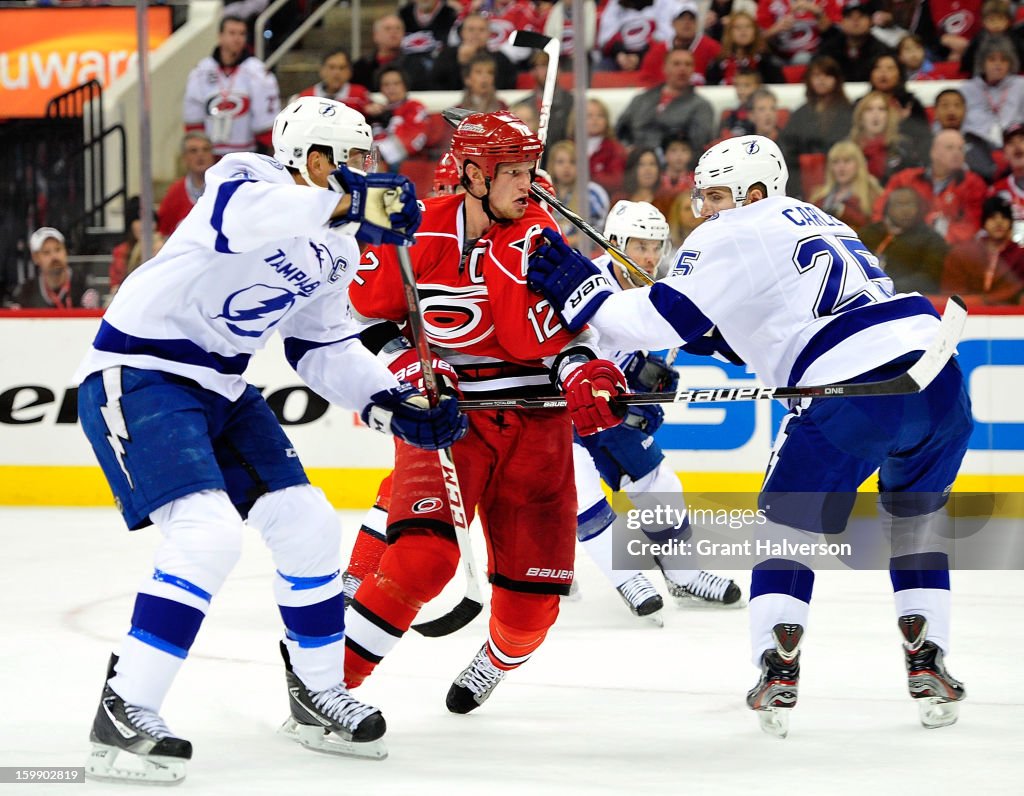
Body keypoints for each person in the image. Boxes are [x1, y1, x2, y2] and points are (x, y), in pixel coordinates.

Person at [74, 96, 465, 783]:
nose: (368, 174)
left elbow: (321, 347)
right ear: (313, 161)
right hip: (141, 371)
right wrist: (351, 206)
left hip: (222, 388)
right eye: (354, 162)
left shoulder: (338, 246)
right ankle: (126, 704)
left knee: (308, 521)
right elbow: (248, 220)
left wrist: (390, 401)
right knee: (207, 535)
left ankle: (318, 693)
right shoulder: (246, 178)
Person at [526, 134, 972, 735]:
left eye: (714, 194)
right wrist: (702, 330)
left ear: (753, 192)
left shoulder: (732, 229)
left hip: (856, 394)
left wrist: (584, 292)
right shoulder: (820, 219)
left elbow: (654, 320)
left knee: (783, 530)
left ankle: (776, 663)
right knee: (914, 521)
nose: (703, 209)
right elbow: (770, 324)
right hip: (939, 379)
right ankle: (930, 655)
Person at [342, 111, 623, 714]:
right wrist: (407, 367)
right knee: (423, 560)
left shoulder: (540, 237)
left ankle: (494, 660)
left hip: (538, 430)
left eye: (530, 170)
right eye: (515, 172)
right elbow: (357, 319)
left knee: (530, 614)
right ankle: (327, 684)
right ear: (471, 173)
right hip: (450, 421)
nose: (531, 184)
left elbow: (576, 333)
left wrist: (584, 374)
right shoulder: (408, 227)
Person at [572, 200, 743, 623]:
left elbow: (698, 335)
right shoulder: (589, 282)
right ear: (613, 243)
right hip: (569, 412)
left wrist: (740, 344)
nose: (650, 255)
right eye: (640, 245)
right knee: (578, 489)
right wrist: (632, 368)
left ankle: (682, 574)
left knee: (660, 484)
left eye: (656, 246)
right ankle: (626, 576)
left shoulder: (662, 287)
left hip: (618, 416)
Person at [182, 15, 281, 158]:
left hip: (247, 154)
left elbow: (266, 121)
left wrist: (262, 154)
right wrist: (201, 152)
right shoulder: (201, 71)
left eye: (242, 34)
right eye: (232, 33)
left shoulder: (257, 71)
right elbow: (193, 117)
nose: (238, 38)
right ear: (220, 36)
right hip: (211, 155)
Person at [874, 129, 988, 246]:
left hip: (946, 252)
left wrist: (932, 234)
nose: (957, 153)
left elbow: (970, 228)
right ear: (934, 152)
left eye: (960, 149)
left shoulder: (973, 184)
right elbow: (881, 211)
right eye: (950, 148)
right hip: (901, 246)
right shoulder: (905, 179)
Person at [615, 48, 715, 153]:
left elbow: (697, 144)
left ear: (693, 70)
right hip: (635, 159)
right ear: (664, 68)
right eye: (676, 64)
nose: (682, 69)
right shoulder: (641, 99)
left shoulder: (701, 106)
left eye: (688, 64)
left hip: (674, 162)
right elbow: (620, 129)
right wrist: (626, 148)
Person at [779, 55, 853, 198]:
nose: (821, 80)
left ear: (836, 79)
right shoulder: (800, 113)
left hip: (840, 169)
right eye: (816, 75)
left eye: (827, 75)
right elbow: (787, 145)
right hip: (802, 173)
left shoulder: (849, 111)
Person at [861, 186, 950, 294]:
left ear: (919, 208)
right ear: (887, 208)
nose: (905, 210)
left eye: (910, 204)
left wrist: (889, 288)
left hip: (907, 301)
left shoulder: (931, 240)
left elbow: (929, 280)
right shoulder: (869, 233)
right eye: (899, 204)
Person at [940, 194, 1024, 305]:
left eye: (1004, 217)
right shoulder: (966, 253)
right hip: (970, 311)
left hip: (1008, 313)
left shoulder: (1020, 254)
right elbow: (952, 291)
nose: (999, 222)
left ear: (1011, 223)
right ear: (984, 222)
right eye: (992, 217)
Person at [961, 35, 1024, 153]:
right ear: (982, 63)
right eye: (992, 59)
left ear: (1010, 63)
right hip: (976, 147)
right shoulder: (967, 89)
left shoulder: (1021, 86)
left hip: (1015, 144)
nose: (998, 64)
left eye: (1003, 60)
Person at [14, 227, 99, 309]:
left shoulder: (84, 284)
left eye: (58, 249)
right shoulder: (26, 293)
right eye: (46, 252)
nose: (54, 257)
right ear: (35, 258)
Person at [363, 65, 429, 172]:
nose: (391, 88)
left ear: (405, 85)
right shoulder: (376, 112)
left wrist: (375, 156)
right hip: (374, 158)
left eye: (396, 83)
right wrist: (366, 115)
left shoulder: (414, 107)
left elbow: (412, 143)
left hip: (402, 162)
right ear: (380, 88)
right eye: (386, 84)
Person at [810, 139, 884, 234]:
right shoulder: (818, 196)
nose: (841, 167)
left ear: (858, 164)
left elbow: (875, 230)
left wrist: (844, 213)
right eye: (835, 162)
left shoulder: (873, 193)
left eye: (847, 161)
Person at [429, 12, 517, 90]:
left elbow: (506, 87)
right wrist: (460, 64)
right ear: (462, 33)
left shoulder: (500, 59)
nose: (476, 33)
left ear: (489, 34)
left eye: (481, 30)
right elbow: (436, 85)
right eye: (471, 29)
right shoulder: (447, 55)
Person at [817, 0, 891, 83]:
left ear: (870, 22)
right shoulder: (828, 49)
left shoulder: (882, 50)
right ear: (842, 23)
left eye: (861, 16)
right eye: (849, 17)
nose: (855, 21)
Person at [158, 133, 215, 237]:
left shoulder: (225, 189)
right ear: (184, 158)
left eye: (205, 150)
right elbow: (163, 233)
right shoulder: (174, 193)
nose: (200, 155)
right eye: (193, 151)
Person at [109, 196, 166, 294]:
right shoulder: (121, 252)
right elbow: (115, 286)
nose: (144, 225)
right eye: (139, 220)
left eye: (150, 220)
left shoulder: (163, 248)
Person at [288, 49, 371, 115]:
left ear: (350, 71)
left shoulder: (360, 95)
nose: (336, 73)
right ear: (322, 70)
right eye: (331, 67)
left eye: (342, 68)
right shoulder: (306, 97)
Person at [989, 122, 1024, 244]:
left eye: (1022, 139)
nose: (1017, 146)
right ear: (1004, 154)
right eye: (1010, 142)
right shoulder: (997, 191)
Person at [352, 14, 405, 91]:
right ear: (376, 35)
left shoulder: (414, 65)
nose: (394, 32)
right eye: (388, 29)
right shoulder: (361, 67)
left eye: (398, 28)